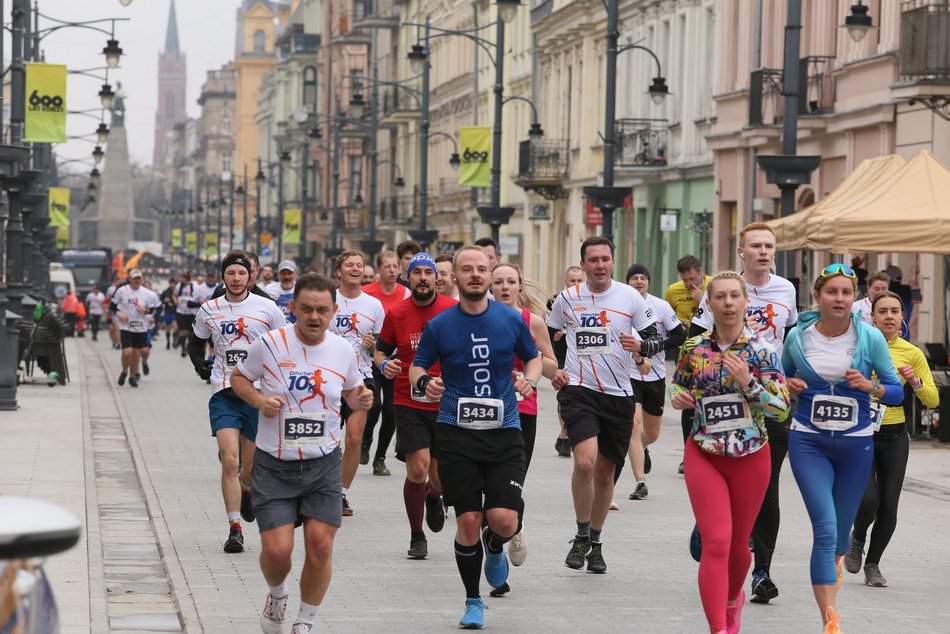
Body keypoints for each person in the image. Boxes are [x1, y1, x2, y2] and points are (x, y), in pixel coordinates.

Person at [230, 273, 373, 634]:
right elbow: (239, 378)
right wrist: (260, 400)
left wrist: (361, 399)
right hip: (275, 465)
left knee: (320, 545)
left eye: (322, 310)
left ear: (334, 311)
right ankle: (277, 595)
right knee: (278, 551)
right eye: (306, 309)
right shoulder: (269, 343)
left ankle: (304, 622)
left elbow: (352, 391)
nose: (314, 317)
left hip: (323, 464)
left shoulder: (342, 350)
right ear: (292, 307)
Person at [409, 246, 541, 629]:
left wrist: (529, 381)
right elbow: (417, 367)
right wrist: (426, 383)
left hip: (504, 432)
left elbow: (533, 358)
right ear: (455, 277)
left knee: (503, 520)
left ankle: (495, 544)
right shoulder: (440, 325)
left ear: (490, 274)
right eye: (467, 269)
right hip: (455, 433)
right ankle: (472, 600)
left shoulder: (509, 319)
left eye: (482, 269)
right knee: (468, 521)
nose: (475, 275)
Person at [782, 262, 903, 633]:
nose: (839, 298)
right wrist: (787, 385)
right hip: (808, 441)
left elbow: (896, 392)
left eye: (846, 292)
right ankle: (829, 622)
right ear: (817, 296)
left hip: (855, 446)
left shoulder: (870, 338)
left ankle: (834, 563)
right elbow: (776, 379)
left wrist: (871, 387)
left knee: (837, 539)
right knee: (824, 529)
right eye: (831, 292)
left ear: (854, 298)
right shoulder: (797, 337)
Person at [670, 271, 791, 634]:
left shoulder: (762, 351)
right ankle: (718, 628)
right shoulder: (694, 349)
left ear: (745, 302)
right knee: (716, 541)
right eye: (720, 297)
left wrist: (748, 384)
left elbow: (781, 409)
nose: (727, 303)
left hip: (751, 455)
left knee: (739, 545)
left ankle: (731, 600)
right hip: (704, 451)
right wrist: (678, 396)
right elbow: (678, 383)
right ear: (708, 304)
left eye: (734, 296)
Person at [689, 222, 799, 603]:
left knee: (768, 488)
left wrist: (789, 379)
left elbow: (791, 339)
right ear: (742, 252)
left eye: (769, 245)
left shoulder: (786, 290)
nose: (763, 252)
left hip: (766, 399)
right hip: (719, 403)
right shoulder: (722, 289)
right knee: (723, 482)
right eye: (756, 246)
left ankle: (762, 570)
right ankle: (711, 524)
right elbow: (692, 343)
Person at [547, 236, 663, 574]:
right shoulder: (567, 299)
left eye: (605, 259)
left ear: (613, 262)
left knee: (605, 472)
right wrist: (558, 369)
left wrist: (641, 346)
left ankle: (595, 542)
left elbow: (657, 338)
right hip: (579, 391)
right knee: (585, 462)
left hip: (619, 395)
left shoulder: (630, 297)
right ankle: (580, 534)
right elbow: (550, 336)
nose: (600, 265)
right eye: (593, 260)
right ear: (583, 264)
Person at [189, 251, 286, 553]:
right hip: (224, 393)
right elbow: (195, 342)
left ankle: (246, 489)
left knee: (249, 469)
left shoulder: (268, 308)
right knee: (230, 460)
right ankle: (234, 529)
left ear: (250, 276)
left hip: (256, 395)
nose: (236, 278)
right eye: (230, 273)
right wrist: (201, 365)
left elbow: (285, 344)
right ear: (223, 276)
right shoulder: (210, 308)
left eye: (241, 273)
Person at [846, 291, 938, 587]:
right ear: (872, 317)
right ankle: (858, 538)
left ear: (902, 317)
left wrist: (915, 382)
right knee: (868, 500)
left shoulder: (912, 353)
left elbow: (933, 400)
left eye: (894, 311)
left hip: (895, 435)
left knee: (888, 505)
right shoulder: (859, 346)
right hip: (862, 432)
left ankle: (873, 564)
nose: (889, 316)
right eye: (882, 311)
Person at [374, 252, 457, 559]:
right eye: (416, 272)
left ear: (437, 277)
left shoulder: (452, 310)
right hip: (408, 400)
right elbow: (380, 352)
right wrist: (385, 366)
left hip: (447, 401)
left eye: (428, 272)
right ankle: (416, 535)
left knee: (440, 476)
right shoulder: (397, 313)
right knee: (418, 467)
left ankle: (434, 496)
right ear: (407, 278)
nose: (422, 277)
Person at [490, 263, 558, 567]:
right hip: (485, 410)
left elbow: (553, 368)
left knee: (514, 479)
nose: (505, 287)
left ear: (520, 286)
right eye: (499, 282)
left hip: (522, 410)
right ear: (490, 287)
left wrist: (531, 358)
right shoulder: (477, 319)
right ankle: (502, 534)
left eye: (511, 282)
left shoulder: (533, 322)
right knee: (488, 483)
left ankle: (513, 528)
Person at [328, 251, 385, 516]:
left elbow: (381, 347)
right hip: (327, 378)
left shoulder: (373, 305)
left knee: (353, 438)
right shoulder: (327, 298)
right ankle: (323, 487)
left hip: (360, 378)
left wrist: (373, 346)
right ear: (338, 271)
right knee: (329, 440)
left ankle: (341, 494)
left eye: (359, 265)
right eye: (349, 265)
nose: (355, 269)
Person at [623, 264, 685, 500]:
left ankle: (642, 447)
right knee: (633, 425)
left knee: (652, 433)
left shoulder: (661, 306)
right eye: (634, 278)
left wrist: (653, 346)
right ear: (627, 282)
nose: (639, 281)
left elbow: (679, 336)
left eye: (643, 278)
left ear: (648, 282)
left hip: (655, 374)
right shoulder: (621, 306)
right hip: (628, 374)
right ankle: (640, 481)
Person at [361, 251, 411, 469]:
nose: (392, 270)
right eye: (387, 266)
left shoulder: (406, 293)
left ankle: (380, 458)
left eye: (395, 266)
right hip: (371, 356)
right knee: (374, 406)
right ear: (378, 270)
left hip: (396, 359)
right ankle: (366, 439)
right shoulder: (367, 293)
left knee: (391, 411)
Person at [551, 266, 585, 457]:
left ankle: (567, 432)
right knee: (564, 393)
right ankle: (564, 432)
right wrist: (554, 335)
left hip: (583, 353)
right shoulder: (556, 300)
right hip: (561, 353)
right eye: (572, 280)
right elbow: (547, 326)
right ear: (565, 282)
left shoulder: (591, 300)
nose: (576, 284)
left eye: (579, 280)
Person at [111, 269, 158, 387]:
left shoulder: (147, 293)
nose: (137, 281)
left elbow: (152, 309)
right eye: (134, 278)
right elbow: (112, 305)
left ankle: (132, 376)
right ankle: (124, 371)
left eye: (139, 278)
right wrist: (120, 314)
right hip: (126, 326)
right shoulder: (122, 290)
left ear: (141, 279)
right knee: (127, 352)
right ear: (130, 279)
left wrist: (145, 310)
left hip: (141, 327)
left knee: (136, 353)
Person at [665, 254, 711, 325]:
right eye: (685, 280)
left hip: (707, 330)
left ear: (700, 271)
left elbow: (720, 315)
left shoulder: (714, 285)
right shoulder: (672, 290)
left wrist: (702, 301)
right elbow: (665, 316)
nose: (689, 283)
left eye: (692, 278)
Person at [174, 272, 200, 356]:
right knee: (183, 331)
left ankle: (188, 346)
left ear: (187, 279)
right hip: (180, 312)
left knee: (190, 332)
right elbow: (174, 295)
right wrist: (176, 301)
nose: (181, 279)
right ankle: (183, 349)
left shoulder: (195, 286)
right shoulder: (179, 286)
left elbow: (199, 297)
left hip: (191, 313)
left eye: (183, 278)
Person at [159, 279, 178, 349]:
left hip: (175, 312)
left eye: (174, 283)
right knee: (168, 328)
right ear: (169, 284)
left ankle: (174, 341)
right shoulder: (165, 291)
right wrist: (164, 300)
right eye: (171, 283)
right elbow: (160, 300)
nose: (172, 285)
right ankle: (168, 342)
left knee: (175, 327)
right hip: (168, 311)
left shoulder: (177, 291)